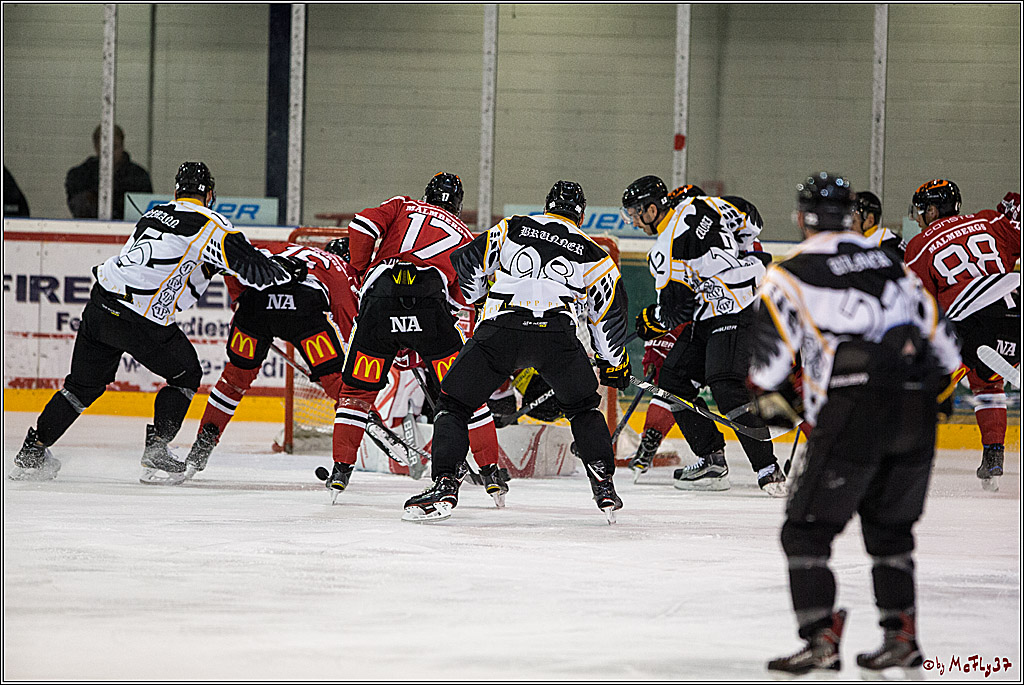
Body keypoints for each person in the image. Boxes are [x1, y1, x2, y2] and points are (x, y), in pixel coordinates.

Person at [756, 173, 961, 678]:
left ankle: (821, 639)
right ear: (852, 214)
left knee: (805, 532)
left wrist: (785, 410)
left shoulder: (789, 273)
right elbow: (947, 347)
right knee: (890, 531)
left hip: (854, 410)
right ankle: (902, 638)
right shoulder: (894, 265)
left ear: (801, 217)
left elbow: (767, 371)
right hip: (916, 408)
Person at [10, 162, 292, 484]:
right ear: (210, 194)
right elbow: (253, 267)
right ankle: (157, 448)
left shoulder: (154, 214)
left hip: (101, 305)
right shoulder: (211, 224)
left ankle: (32, 452)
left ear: (176, 191)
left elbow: (169, 268)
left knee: (80, 388)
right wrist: (287, 274)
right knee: (186, 373)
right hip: (139, 318)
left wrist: (210, 269)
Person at [401, 180, 631, 523]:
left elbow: (466, 261)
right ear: (580, 216)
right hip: (556, 337)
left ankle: (445, 483)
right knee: (583, 408)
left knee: (453, 404)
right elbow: (609, 312)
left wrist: (478, 296)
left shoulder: (514, 226)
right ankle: (604, 485)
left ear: (547, 206)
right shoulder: (594, 251)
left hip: (501, 332)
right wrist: (614, 364)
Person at [340, 172, 508, 504]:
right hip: (432, 305)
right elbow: (464, 300)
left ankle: (339, 471)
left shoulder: (403, 205)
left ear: (426, 194)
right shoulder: (467, 237)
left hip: (380, 298)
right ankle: (491, 473)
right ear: (458, 205)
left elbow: (360, 225)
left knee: (356, 392)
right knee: (465, 394)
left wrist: (360, 272)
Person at [620, 175, 785, 495]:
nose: (634, 222)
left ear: (652, 210)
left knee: (725, 383)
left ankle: (768, 469)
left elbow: (674, 313)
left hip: (736, 309)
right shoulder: (704, 204)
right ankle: (712, 460)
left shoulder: (666, 248)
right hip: (716, 311)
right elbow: (751, 217)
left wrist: (649, 321)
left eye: (636, 214)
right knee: (673, 382)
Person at [904, 180, 1021, 491]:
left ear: (931, 210)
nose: (917, 218)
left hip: (969, 316)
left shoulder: (918, 246)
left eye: (920, 211)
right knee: (989, 379)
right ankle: (994, 455)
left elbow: (921, 306)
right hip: (1015, 304)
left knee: (933, 377)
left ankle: (897, 453)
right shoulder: (990, 220)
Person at [65, 124, 153, 220]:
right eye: (105, 148)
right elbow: (79, 208)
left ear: (122, 145)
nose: (110, 153)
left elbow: (143, 209)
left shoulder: (138, 176)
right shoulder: (80, 175)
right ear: (96, 147)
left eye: (115, 147)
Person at [850, 190, 905, 257]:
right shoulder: (851, 242)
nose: (849, 226)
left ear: (870, 221)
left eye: (853, 221)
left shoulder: (890, 242)